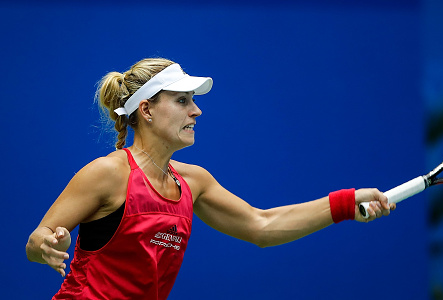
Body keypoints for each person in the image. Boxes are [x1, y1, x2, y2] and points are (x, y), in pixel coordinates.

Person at [26, 58, 394, 299]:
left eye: (193, 101)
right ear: (147, 110)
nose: (197, 110)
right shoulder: (107, 173)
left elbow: (261, 225)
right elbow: (36, 240)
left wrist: (345, 203)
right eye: (183, 100)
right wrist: (47, 244)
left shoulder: (194, 181)